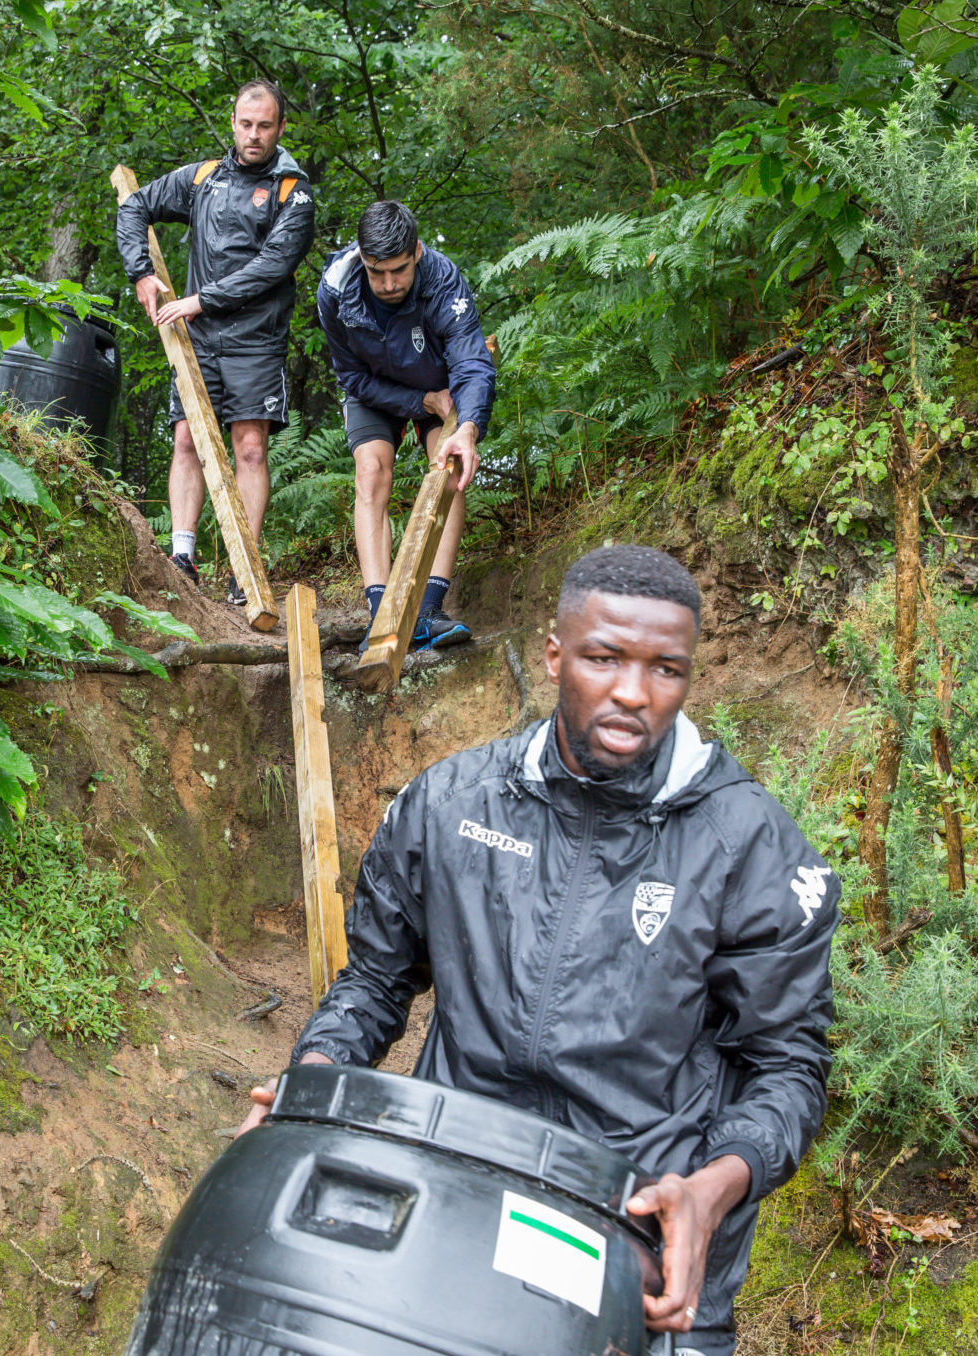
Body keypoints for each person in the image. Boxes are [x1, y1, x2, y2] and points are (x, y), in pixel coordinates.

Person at [241, 545, 838, 1356]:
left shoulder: (750, 846)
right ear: (554, 655)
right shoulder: (450, 803)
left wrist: (713, 1185)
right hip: (453, 1196)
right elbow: (376, 982)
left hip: (643, 1229)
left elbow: (787, 1068)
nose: (633, 693)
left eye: (666, 669)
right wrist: (309, 1081)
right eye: (603, 658)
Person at [116, 80, 315, 604]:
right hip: (198, 339)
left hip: (256, 339)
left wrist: (198, 301)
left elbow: (271, 267)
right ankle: (181, 555)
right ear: (232, 122)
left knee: (250, 447)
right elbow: (133, 206)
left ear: (280, 127)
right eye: (245, 124)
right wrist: (141, 272)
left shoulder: (293, 190)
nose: (254, 135)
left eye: (265, 126)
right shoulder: (204, 178)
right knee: (186, 440)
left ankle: (241, 566)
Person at [316, 200, 495, 651]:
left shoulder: (443, 279)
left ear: (416, 252)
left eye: (398, 270)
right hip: (373, 389)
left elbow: (472, 362)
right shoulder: (335, 290)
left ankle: (429, 609)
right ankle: (383, 614)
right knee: (371, 471)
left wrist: (467, 428)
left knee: (448, 465)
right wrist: (416, 400)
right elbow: (352, 377)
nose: (389, 284)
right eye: (377, 273)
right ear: (361, 257)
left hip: (437, 383)